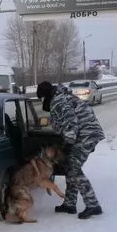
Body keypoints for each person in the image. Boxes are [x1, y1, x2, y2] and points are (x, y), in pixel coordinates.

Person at [36, 81, 105, 219]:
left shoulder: (58, 101)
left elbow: (70, 121)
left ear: (45, 95)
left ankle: (93, 205)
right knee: (69, 166)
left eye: (41, 98)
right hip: (85, 133)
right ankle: (69, 203)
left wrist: (68, 143)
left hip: (86, 134)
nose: (42, 102)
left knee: (73, 168)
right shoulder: (60, 97)